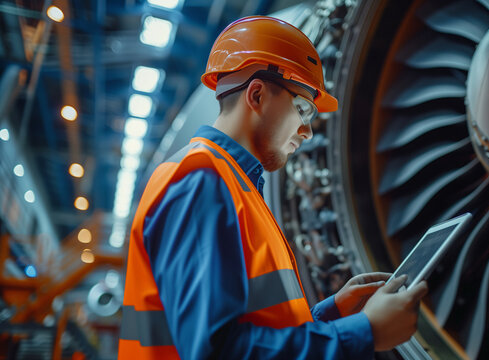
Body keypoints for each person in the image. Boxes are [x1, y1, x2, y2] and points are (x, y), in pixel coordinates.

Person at [117, 16, 428, 359]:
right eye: (304, 109)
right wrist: (362, 333)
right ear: (257, 94)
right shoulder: (200, 180)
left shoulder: (235, 185)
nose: (307, 132)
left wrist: (332, 313)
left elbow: (247, 328)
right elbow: (216, 351)